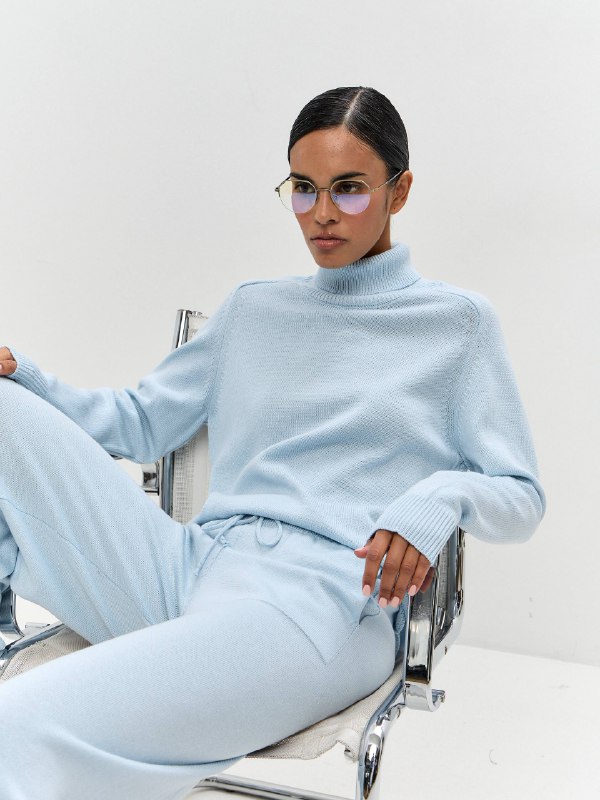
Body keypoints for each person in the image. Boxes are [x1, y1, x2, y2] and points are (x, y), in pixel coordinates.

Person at [0, 86, 545, 799]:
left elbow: (521, 495)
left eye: (349, 188)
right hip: (190, 566)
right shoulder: (254, 308)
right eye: (304, 189)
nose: (322, 213)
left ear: (400, 190)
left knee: (20, 722)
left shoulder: (456, 324)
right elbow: (139, 423)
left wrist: (439, 496)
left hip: (323, 602)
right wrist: (27, 376)